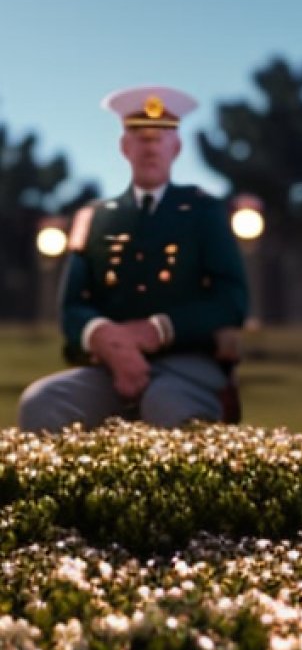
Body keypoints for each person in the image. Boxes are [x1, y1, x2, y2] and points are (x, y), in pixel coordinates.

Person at [18, 85, 249, 432]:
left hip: (187, 364)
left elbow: (232, 301)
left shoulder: (203, 211)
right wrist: (106, 339)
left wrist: (159, 330)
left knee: (166, 403)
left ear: (176, 147)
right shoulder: (95, 217)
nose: (151, 146)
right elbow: (72, 308)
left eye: (161, 138)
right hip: (110, 368)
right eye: (140, 137)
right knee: (43, 401)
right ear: (125, 147)